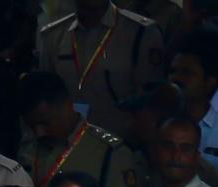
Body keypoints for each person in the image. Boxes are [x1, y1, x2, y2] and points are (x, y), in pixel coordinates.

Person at [20, 71, 141, 187]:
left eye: (45, 122)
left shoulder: (110, 151)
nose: (39, 132)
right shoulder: (28, 146)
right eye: (32, 126)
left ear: (66, 106)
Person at [37, 0, 164, 141]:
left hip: (122, 145)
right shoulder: (53, 35)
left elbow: (150, 104)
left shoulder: (141, 32)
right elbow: (44, 101)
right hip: (67, 146)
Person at [165, 30, 218, 187]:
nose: (176, 79)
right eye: (173, 71)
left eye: (187, 73)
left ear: (211, 81)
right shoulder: (159, 126)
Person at [146, 116, 218, 187]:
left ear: (197, 156)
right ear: (155, 151)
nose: (175, 156)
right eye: (168, 146)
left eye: (185, 149)